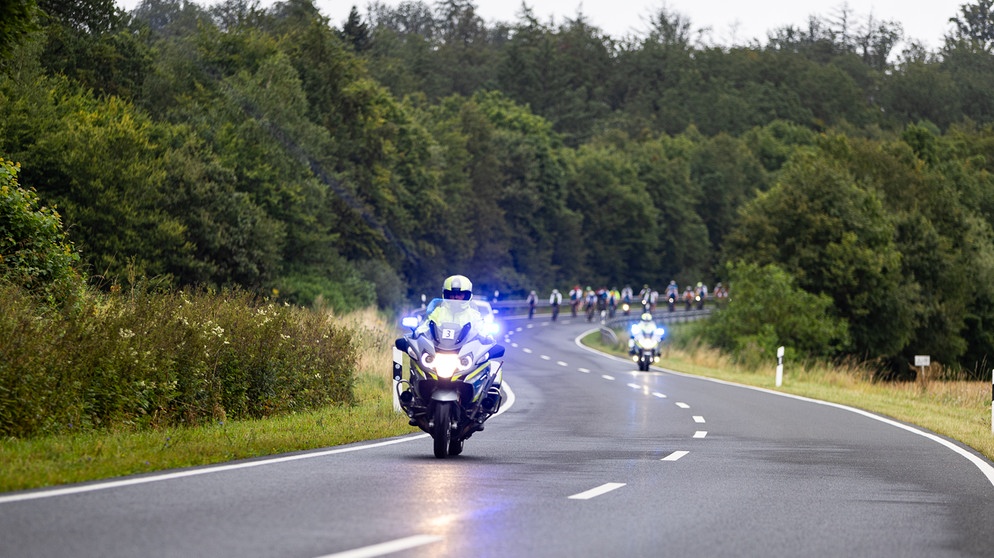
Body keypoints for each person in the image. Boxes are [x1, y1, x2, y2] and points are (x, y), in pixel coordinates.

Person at [418, 274, 485, 339]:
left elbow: (482, 331)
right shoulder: (438, 312)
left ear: (468, 295)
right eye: (452, 294)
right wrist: (419, 333)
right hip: (437, 348)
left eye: (460, 294)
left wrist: (486, 338)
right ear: (446, 294)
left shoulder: (474, 316)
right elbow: (425, 327)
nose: (456, 297)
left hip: (466, 349)